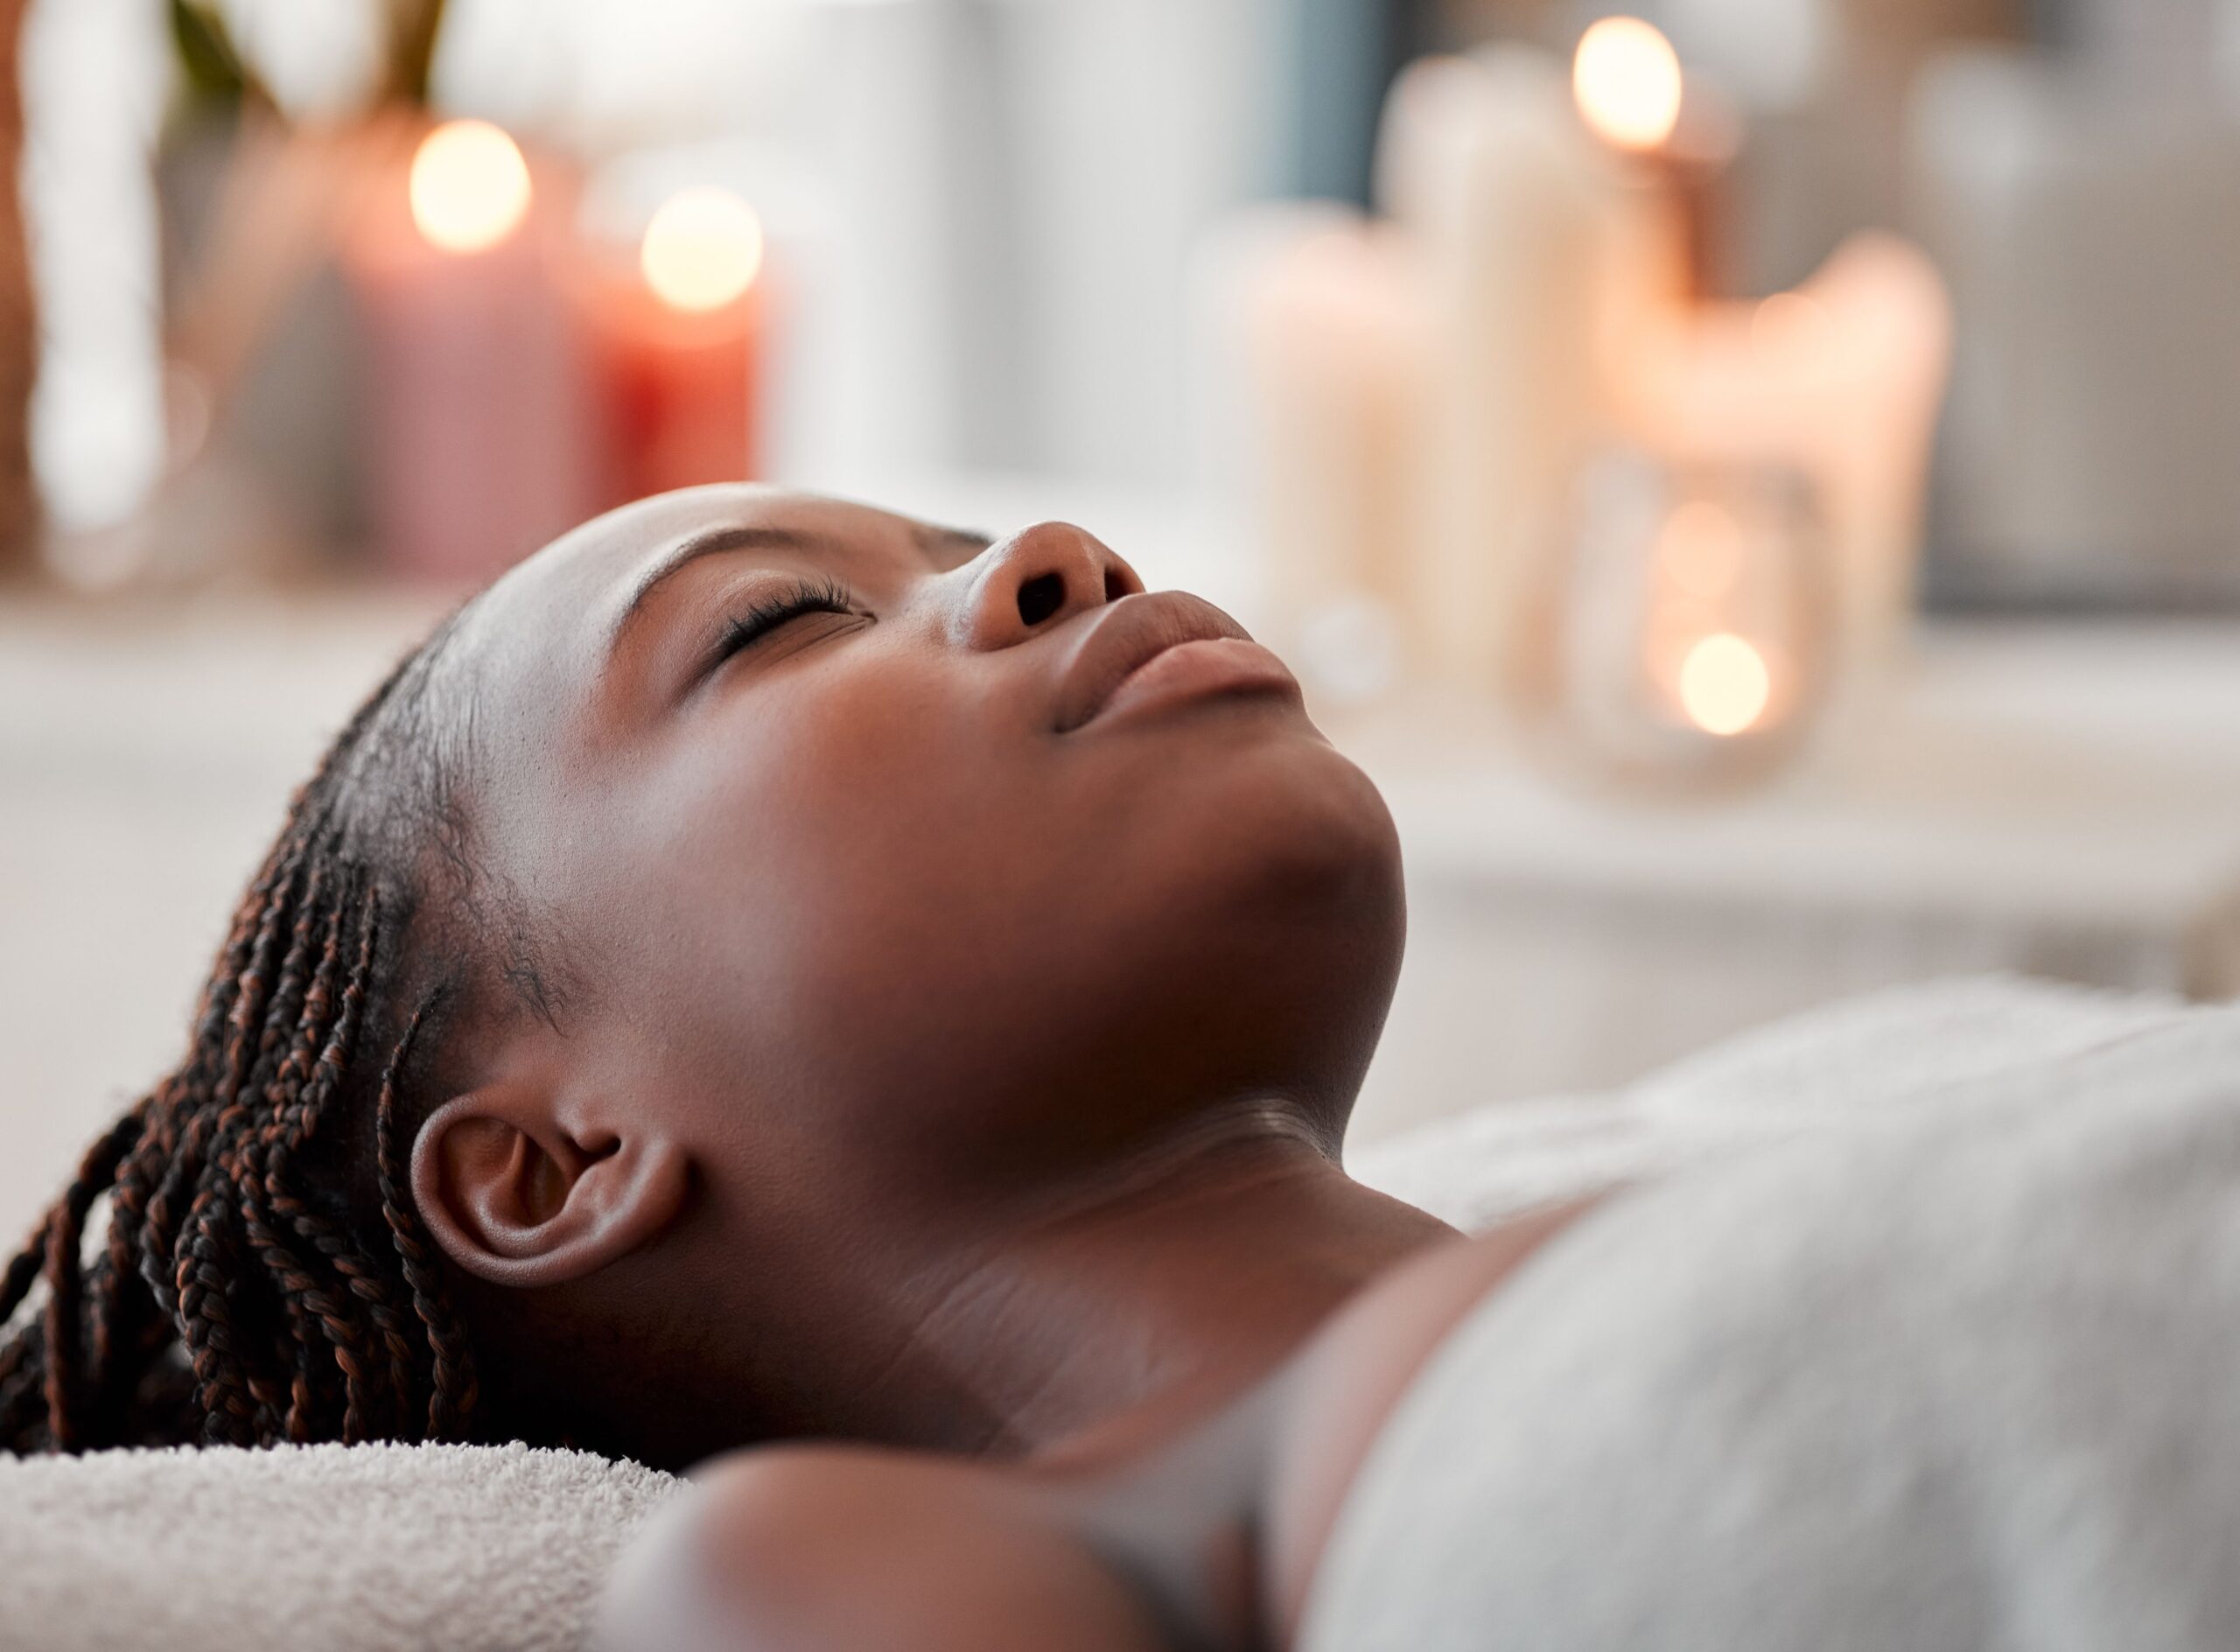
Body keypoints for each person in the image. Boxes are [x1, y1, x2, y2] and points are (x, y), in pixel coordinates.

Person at [0, 484, 1594, 1645]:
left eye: (956, 549)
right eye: (778, 622)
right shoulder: (857, 1577)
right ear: (557, 1165)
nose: (1058, 553)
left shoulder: (1679, 1186)